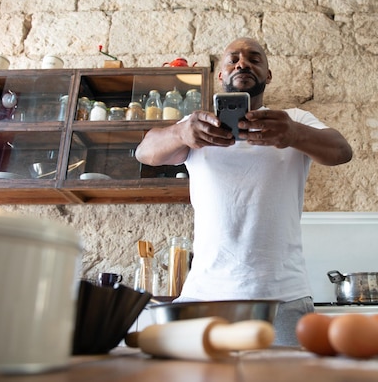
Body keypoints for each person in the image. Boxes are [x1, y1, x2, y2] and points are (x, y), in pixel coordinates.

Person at [135, 37, 352, 345]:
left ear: (268, 74)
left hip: (284, 297)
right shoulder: (195, 126)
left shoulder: (295, 120)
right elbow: (145, 153)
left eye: (254, 58)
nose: (243, 63)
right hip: (203, 295)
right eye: (233, 59)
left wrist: (292, 133)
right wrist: (181, 131)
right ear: (221, 75)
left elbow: (342, 151)